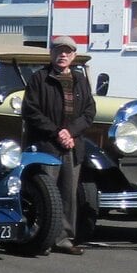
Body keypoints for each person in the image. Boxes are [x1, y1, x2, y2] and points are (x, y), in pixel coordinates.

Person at [20, 37, 97, 255]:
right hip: (46, 146)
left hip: (72, 144)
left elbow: (89, 111)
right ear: (51, 54)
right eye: (58, 51)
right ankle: (42, 239)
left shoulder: (80, 80)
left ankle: (64, 239)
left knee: (68, 194)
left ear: (73, 56)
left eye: (67, 52)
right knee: (46, 195)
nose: (62, 55)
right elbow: (31, 111)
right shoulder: (39, 78)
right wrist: (57, 133)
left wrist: (70, 132)